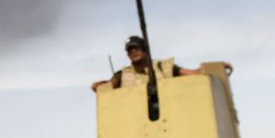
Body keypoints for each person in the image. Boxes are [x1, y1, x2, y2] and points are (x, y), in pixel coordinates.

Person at [91, 35, 233, 92]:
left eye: (136, 48)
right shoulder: (123, 74)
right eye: (130, 50)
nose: (133, 52)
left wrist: (215, 67)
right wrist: (98, 85)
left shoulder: (162, 68)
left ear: (145, 50)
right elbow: (110, 85)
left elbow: (192, 74)